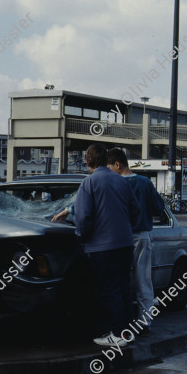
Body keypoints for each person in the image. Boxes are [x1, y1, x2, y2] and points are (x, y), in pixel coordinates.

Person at [55, 144, 139, 347]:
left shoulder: (89, 183)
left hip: (102, 246)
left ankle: (118, 335)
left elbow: (83, 217)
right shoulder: (122, 181)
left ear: (87, 161)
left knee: (108, 290)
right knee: (123, 288)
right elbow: (135, 211)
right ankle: (128, 332)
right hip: (125, 244)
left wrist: (81, 236)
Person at [107, 148, 165, 337]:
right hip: (142, 235)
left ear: (118, 164)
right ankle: (144, 322)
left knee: (120, 280)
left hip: (117, 237)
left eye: (109, 167)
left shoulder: (113, 183)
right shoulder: (145, 182)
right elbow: (159, 207)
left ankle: (122, 321)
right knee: (144, 280)